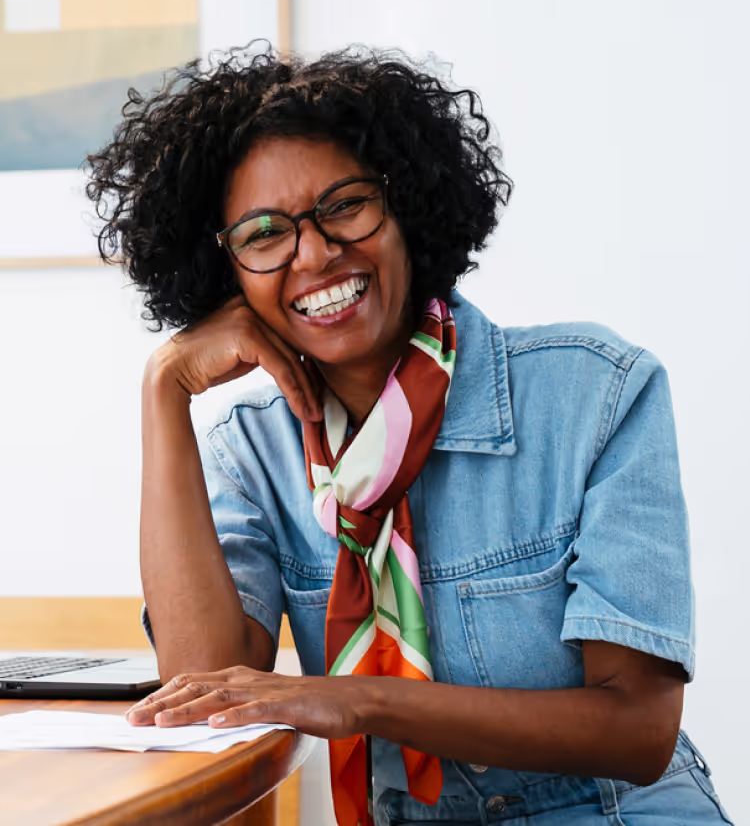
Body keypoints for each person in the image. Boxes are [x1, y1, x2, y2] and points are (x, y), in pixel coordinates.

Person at [87, 45, 733, 826]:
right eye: (264, 235)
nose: (317, 253)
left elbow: (638, 730)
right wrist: (165, 391)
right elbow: (206, 691)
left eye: (346, 206)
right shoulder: (249, 453)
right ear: (225, 273)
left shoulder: (595, 391)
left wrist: (351, 699)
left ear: (407, 208)